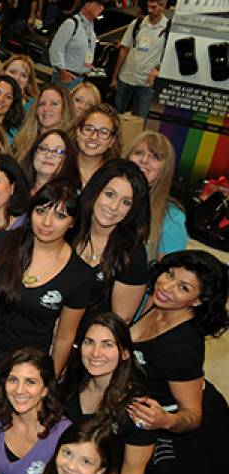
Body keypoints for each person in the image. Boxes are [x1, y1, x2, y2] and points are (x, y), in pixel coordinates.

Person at [128, 250, 229, 474]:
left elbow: (193, 415)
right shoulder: (157, 303)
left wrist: (164, 422)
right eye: (169, 275)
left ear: (198, 301)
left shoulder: (182, 345)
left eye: (183, 287)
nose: (166, 286)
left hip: (179, 431)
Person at [0, 179, 92, 373]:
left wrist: (50, 381)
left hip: (26, 370)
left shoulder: (79, 274)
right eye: (41, 211)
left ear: (72, 223)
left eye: (60, 216)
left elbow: (64, 337)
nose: (47, 222)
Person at [60, 313, 156, 474]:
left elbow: (133, 472)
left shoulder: (137, 406)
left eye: (107, 345)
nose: (95, 353)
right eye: (89, 342)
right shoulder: (74, 381)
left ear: (124, 353)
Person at [73, 159, 150, 328]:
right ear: (96, 191)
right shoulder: (68, 228)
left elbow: (120, 321)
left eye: (126, 202)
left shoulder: (132, 254)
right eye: (109, 194)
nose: (114, 207)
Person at [124, 132, 186, 260]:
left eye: (155, 157)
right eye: (139, 153)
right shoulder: (102, 197)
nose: (144, 160)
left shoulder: (171, 217)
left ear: (165, 169)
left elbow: (168, 272)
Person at [112, 0, 168, 119]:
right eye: (149, 6)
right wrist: (114, 77)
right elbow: (124, 50)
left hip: (146, 84)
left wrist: (158, 69)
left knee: (140, 119)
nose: (150, 10)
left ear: (162, 6)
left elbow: (169, 57)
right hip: (125, 78)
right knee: (115, 116)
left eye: (154, 7)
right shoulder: (137, 23)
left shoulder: (167, 29)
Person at [48, 0, 104, 88]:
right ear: (87, 5)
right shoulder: (71, 23)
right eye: (98, 4)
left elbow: (83, 50)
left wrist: (88, 65)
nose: (101, 8)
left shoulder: (90, 28)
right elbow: (56, 48)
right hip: (66, 77)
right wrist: (62, 72)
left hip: (80, 78)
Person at [13, 84, 73, 162]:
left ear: (65, 108)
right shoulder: (20, 143)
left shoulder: (71, 147)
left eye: (54, 104)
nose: (46, 108)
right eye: (42, 104)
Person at [19, 129, 79, 195]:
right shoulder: (16, 191)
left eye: (58, 151)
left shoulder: (71, 197)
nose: (48, 155)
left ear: (67, 159)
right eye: (43, 149)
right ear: (34, 154)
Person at [75, 103, 121, 186]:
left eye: (103, 132)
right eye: (89, 129)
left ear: (112, 141)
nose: (94, 137)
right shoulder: (60, 164)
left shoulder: (116, 176)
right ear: (78, 132)